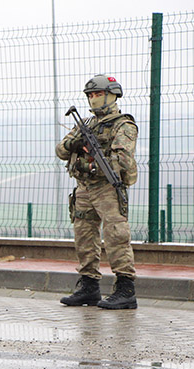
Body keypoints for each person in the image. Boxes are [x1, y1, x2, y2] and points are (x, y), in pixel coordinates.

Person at [56, 74, 138, 310]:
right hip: (84, 188)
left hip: (107, 188)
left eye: (98, 94)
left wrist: (89, 165)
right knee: (83, 234)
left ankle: (125, 288)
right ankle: (89, 286)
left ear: (111, 95)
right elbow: (61, 149)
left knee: (116, 235)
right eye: (90, 95)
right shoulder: (87, 124)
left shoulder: (123, 125)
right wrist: (74, 144)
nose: (93, 99)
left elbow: (121, 160)